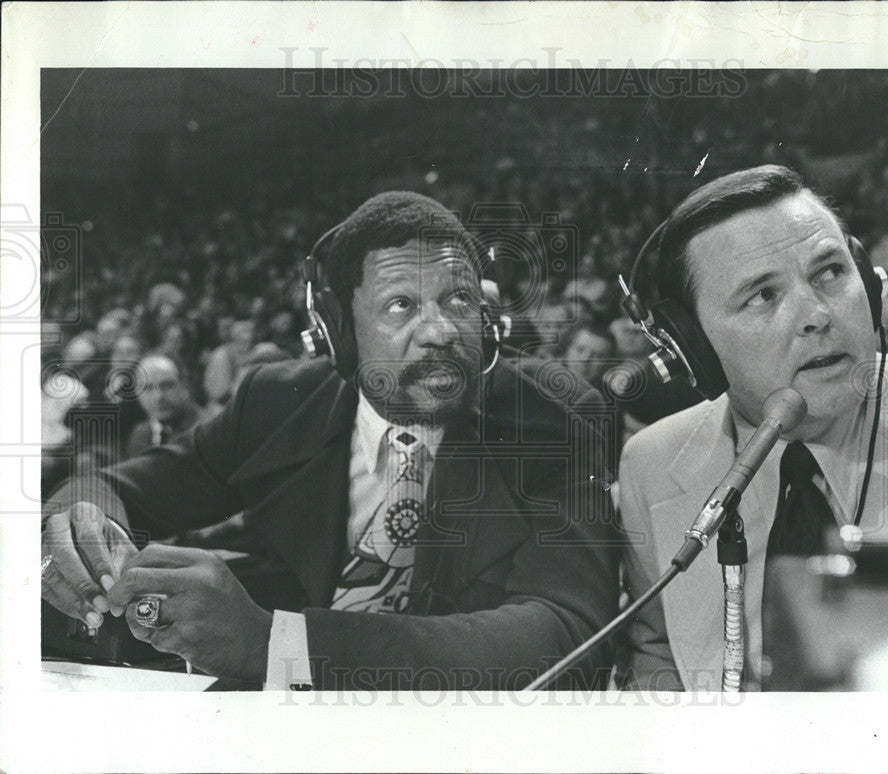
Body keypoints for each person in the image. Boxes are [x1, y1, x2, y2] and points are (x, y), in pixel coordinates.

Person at [41, 191, 619, 691]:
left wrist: (275, 644)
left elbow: (567, 633)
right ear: (337, 331)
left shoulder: (558, 417)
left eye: (459, 300)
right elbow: (118, 487)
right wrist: (79, 530)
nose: (442, 330)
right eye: (402, 305)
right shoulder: (278, 399)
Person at [619, 165, 888, 691]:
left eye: (830, 271)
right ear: (692, 347)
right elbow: (657, 651)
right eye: (763, 295)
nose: (816, 314)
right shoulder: (649, 464)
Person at [124, 353, 204, 459]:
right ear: (137, 393)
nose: (158, 397)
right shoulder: (140, 434)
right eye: (147, 388)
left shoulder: (204, 431)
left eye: (167, 386)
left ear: (184, 386)